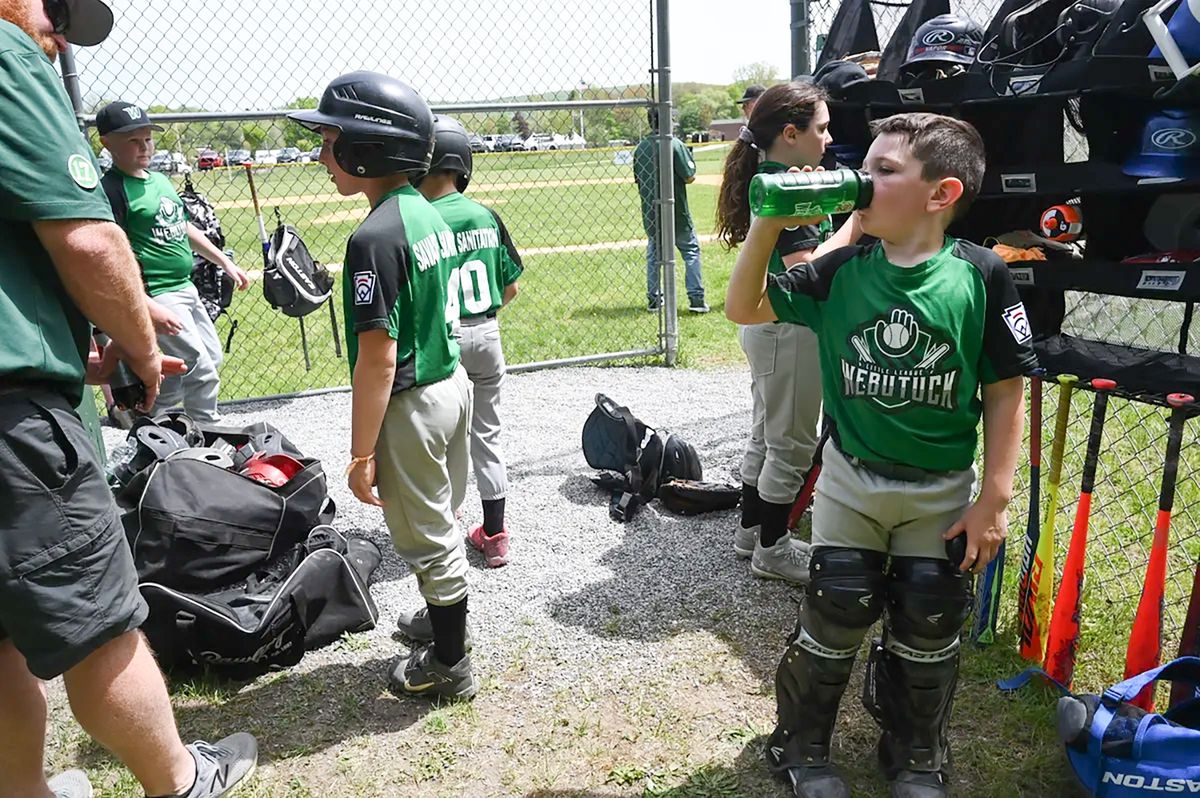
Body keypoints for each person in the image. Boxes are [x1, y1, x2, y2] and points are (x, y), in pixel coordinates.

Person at [726, 112, 1034, 797]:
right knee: (837, 608)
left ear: (941, 193)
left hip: (941, 487)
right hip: (851, 483)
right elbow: (744, 308)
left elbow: (1005, 391)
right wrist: (769, 221)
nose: (862, 184)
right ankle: (800, 743)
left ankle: (916, 750)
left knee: (930, 617)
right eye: (863, 167)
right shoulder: (842, 270)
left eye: (883, 172)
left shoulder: (981, 276)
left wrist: (995, 498)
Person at [0, 2, 257, 797]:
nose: (57, 33)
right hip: (14, 421)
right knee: (98, 624)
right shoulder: (8, 51)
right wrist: (142, 353)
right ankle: (180, 780)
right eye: (55, 13)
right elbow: (86, 237)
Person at [288, 72, 477, 701]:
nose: (322, 156)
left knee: (425, 536)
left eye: (332, 140)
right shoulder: (424, 208)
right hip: (452, 386)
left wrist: (361, 452)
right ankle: (441, 608)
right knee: (441, 514)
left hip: (413, 401)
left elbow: (377, 359)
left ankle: (451, 659)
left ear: (368, 148)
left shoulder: (373, 237)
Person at [716, 81, 858, 585]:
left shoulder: (772, 173)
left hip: (768, 326)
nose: (828, 138)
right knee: (791, 445)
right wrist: (855, 225)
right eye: (820, 129)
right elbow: (806, 268)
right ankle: (772, 550)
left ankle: (751, 532)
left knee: (766, 432)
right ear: (791, 133)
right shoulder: (788, 185)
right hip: (786, 326)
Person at [98, 100, 250, 423]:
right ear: (107, 143)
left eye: (148, 139)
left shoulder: (159, 181)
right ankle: (207, 432)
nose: (144, 148)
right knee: (200, 367)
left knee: (208, 357)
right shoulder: (112, 190)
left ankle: (146, 416)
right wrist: (143, 304)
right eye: (133, 141)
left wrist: (224, 261)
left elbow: (184, 227)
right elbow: (108, 253)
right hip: (158, 293)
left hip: (186, 287)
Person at [415, 115, 523, 568]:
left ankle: (446, 522)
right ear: (463, 165)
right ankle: (495, 534)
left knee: (440, 434)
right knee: (487, 435)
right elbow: (511, 286)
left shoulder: (419, 218)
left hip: (445, 338)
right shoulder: (485, 214)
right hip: (487, 332)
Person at [633, 108, 708, 313]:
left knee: (654, 254)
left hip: (651, 213)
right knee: (690, 251)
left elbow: (639, 181)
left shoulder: (641, 148)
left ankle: (654, 299)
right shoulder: (674, 144)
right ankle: (696, 299)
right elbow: (690, 177)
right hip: (677, 213)